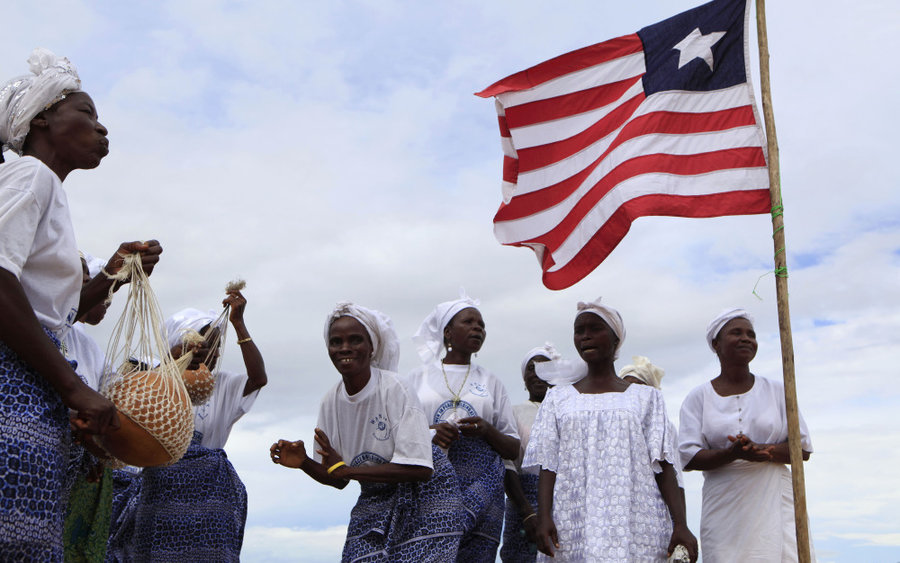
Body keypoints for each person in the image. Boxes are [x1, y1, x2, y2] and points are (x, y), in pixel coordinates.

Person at [0, 48, 161, 560]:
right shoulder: (32, 177)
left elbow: (56, 309)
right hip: (13, 385)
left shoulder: (44, 191)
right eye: (87, 114)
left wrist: (117, 271)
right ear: (42, 118)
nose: (102, 128)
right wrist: (74, 388)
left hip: (29, 384)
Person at [271, 302, 464, 562]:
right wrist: (304, 462)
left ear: (372, 347)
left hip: (430, 496)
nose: (345, 348)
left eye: (355, 340)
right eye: (336, 342)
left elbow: (421, 469)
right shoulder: (331, 402)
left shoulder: (395, 388)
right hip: (375, 495)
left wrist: (349, 471)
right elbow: (337, 478)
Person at [525, 298, 697, 562]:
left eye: (595, 329)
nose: (585, 336)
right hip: (574, 518)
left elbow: (663, 466)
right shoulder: (557, 399)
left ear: (616, 339)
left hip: (635, 517)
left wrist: (681, 524)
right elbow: (549, 465)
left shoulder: (646, 398)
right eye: (579, 330)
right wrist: (545, 516)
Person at [106, 289, 267, 562]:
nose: (210, 352)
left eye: (216, 345)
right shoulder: (147, 376)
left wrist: (238, 324)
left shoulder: (221, 384)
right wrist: (177, 359)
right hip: (158, 492)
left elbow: (258, 378)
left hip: (208, 496)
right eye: (201, 345)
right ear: (174, 346)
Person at [678, 309, 814, 562]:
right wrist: (731, 454)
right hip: (724, 506)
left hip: (775, 499)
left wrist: (764, 451)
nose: (746, 339)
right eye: (736, 333)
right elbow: (688, 457)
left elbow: (802, 450)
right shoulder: (698, 397)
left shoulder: (778, 390)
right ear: (716, 344)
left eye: (751, 334)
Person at [407, 292, 520, 561]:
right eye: (468, 322)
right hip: (429, 488)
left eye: (481, 325)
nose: (477, 328)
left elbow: (513, 447)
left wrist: (487, 431)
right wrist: (432, 433)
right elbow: (401, 436)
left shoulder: (491, 381)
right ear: (447, 332)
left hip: (484, 490)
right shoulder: (417, 378)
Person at [500, 343, 558, 563]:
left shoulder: (566, 411)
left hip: (562, 502)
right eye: (531, 368)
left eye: (544, 368)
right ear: (524, 378)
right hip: (523, 504)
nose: (537, 374)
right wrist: (527, 512)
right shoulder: (514, 412)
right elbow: (507, 465)